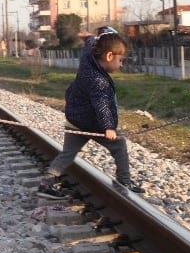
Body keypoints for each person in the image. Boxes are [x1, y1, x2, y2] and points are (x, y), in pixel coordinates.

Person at [37, 27, 145, 200]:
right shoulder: (99, 81)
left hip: (74, 120)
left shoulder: (88, 57)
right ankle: (125, 181)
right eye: (120, 60)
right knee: (119, 145)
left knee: (67, 153)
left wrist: (93, 36)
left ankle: (46, 183)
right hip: (92, 123)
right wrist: (108, 127)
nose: (121, 64)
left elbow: (89, 42)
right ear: (109, 56)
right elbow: (102, 106)